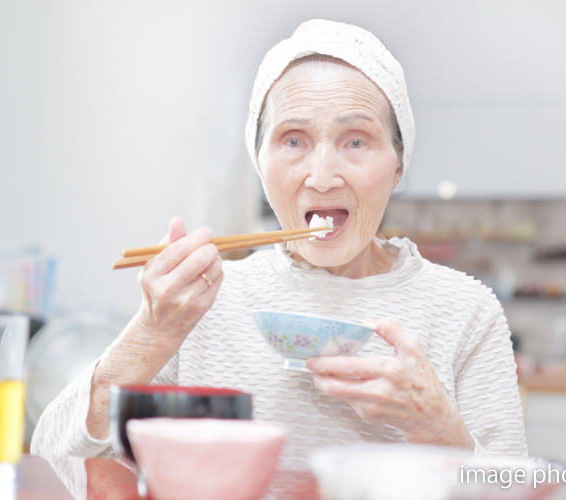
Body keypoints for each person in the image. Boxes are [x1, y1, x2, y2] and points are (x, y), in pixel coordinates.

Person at [32, 19, 527, 468]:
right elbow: (51, 464)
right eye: (293, 140)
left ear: (399, 163)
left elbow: (516, 488)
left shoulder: (466, 310)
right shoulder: (204, 301)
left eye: (356, 140)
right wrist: (152, 333)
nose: (323, 176)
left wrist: (438, 428)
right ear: (260, 160)